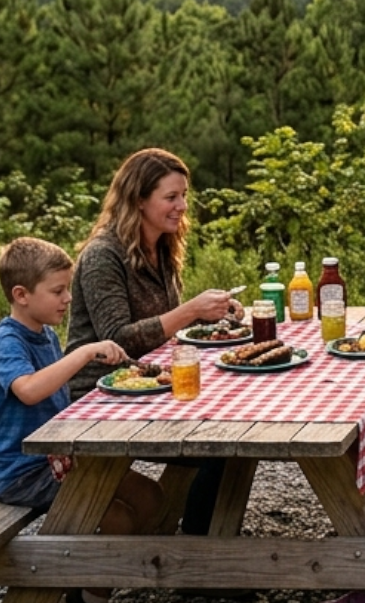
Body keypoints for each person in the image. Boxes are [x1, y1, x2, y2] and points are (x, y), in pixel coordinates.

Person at [64, 147, 240, 535]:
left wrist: (217, 316)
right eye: (171, 197)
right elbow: (119, 339)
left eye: (184, 196)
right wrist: (191, 311)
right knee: (218, 448)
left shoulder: (162, 247)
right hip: (99, 397)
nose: (182, 206)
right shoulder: (102, 256)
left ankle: (194, 545)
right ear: (139, 200)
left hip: (151, 386)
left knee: (231, 428)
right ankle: (195, 552)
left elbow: (166, 329)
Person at [0, 236, 161, 589]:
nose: (68, 298)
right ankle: (89, 592)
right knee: (118, 518)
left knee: (151, 497)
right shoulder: (7, 341)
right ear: (22, 295)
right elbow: (30, 390)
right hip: (22, 470)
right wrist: (81, 354)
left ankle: (126, 567)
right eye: (58, 291)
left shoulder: (45, 334)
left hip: (58, 456)